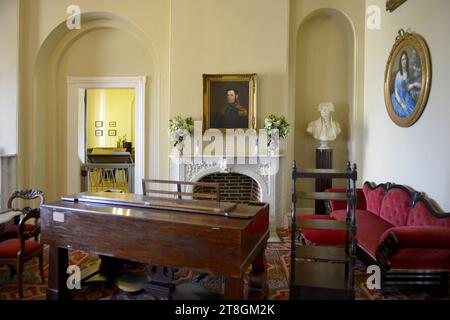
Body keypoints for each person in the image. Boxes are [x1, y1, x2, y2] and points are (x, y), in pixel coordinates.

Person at [390, 51, 417, 118]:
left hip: (406, 97)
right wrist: (401, 103)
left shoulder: (408, 73)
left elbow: (408, 87)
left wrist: (411, 86)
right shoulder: (398, 74)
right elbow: (396, 91)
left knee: (413, 112)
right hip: (398, 97)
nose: (404, 61)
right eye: (402, 60)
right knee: (404, 113)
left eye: (405, 59)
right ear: (400, 62)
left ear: (407, 60)